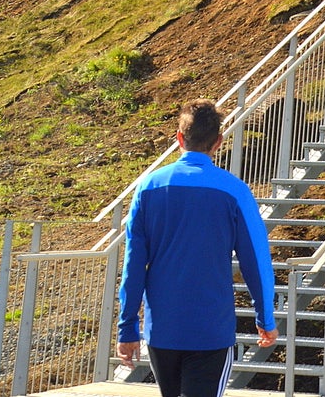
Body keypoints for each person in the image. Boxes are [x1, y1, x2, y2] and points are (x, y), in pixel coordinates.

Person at [117, 99, 278, 397]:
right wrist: (265, 318)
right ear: (218, 142)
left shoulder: (149, 186)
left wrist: (127, 326)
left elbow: (133, 264)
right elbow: (256, 261)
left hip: (161, 330)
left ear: (179, 138)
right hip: (210, 331)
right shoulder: (235, 191)